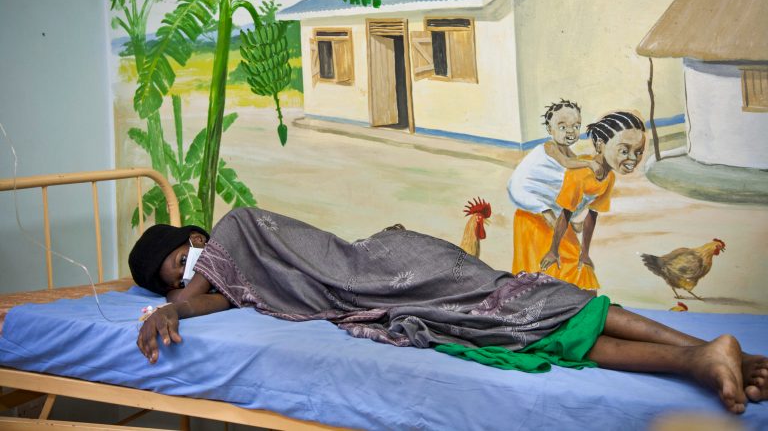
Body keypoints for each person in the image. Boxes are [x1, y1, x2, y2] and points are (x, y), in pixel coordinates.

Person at [129, 207, 768, 415]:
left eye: (183, 266)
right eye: (171, 287)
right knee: (522, 332)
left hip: (392, 265)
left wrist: (177, 303)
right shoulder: (226, 284)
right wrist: (177, 312)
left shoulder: (238, 229)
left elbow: (217, 263)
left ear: (194, 244)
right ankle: (702, 358)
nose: (185, 284)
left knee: (529, 301)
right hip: (385, 297)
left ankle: (700, 354)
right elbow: (211, 297)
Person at [533, 111, 645, 291]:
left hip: (561, 226)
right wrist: (553, 250)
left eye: (638, 152)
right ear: (600, 145)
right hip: (541, 223)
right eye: (624, 151)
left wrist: (585, 253)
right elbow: (564, 214)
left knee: (581, 278)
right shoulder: (581, 175)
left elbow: (591, 216)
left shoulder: (608, 178)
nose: (633, 158)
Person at [510, 100, 603, 289]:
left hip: (548, 209)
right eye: (563, 126)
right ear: (549, 129)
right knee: (554, 248)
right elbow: (566, 167)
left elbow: (571, 190)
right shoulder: (550, 148)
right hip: (531, 202)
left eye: (576, 126)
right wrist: (590, 164)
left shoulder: (572, 155)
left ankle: (570, 286)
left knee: (567, 246)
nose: (570, 132)